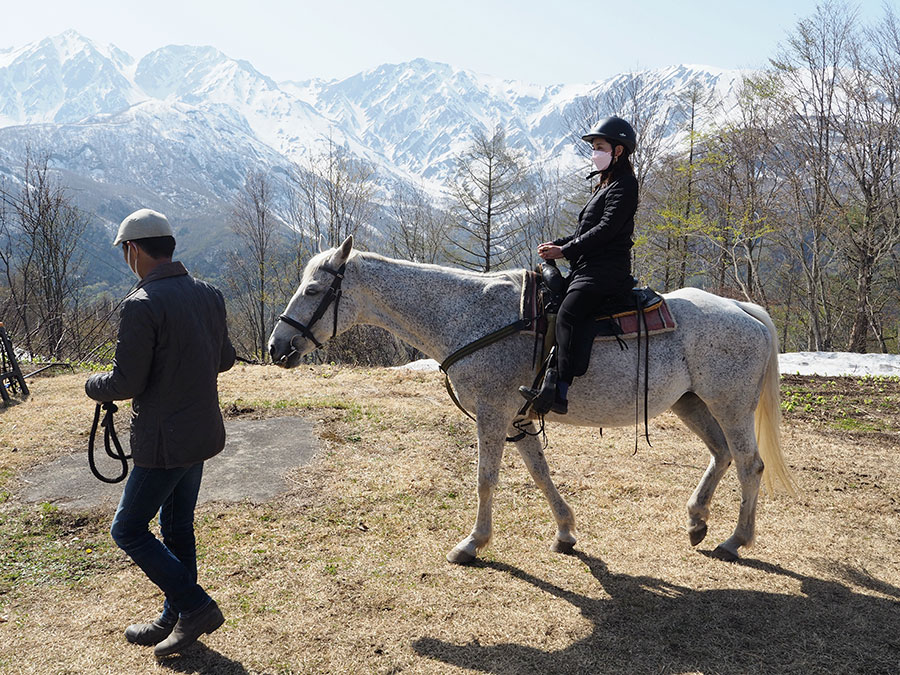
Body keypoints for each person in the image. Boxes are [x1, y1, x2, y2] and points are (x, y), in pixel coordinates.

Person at [85, 208, 236, 658]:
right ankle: (176, 616)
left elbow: (126, 383)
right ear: (168, 245)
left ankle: (194, 607)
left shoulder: (141, 304)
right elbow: (224, 359)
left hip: (163, 441)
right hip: (201, 433)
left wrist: (92, 385)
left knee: (128, 529)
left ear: (133, 250)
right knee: (176, 528)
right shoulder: (209, 293)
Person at [522, 116, 639, 415]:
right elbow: (585, 231)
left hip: (606, 271)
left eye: (599, 147)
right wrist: (557, 245)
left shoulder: (625, 185)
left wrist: (565, 250)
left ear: (618, 151)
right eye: (594, 148)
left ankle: (558, 390)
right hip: (588, 266)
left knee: (569, 313)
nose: (594, 153)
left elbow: (606, 231)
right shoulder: (605, 185)